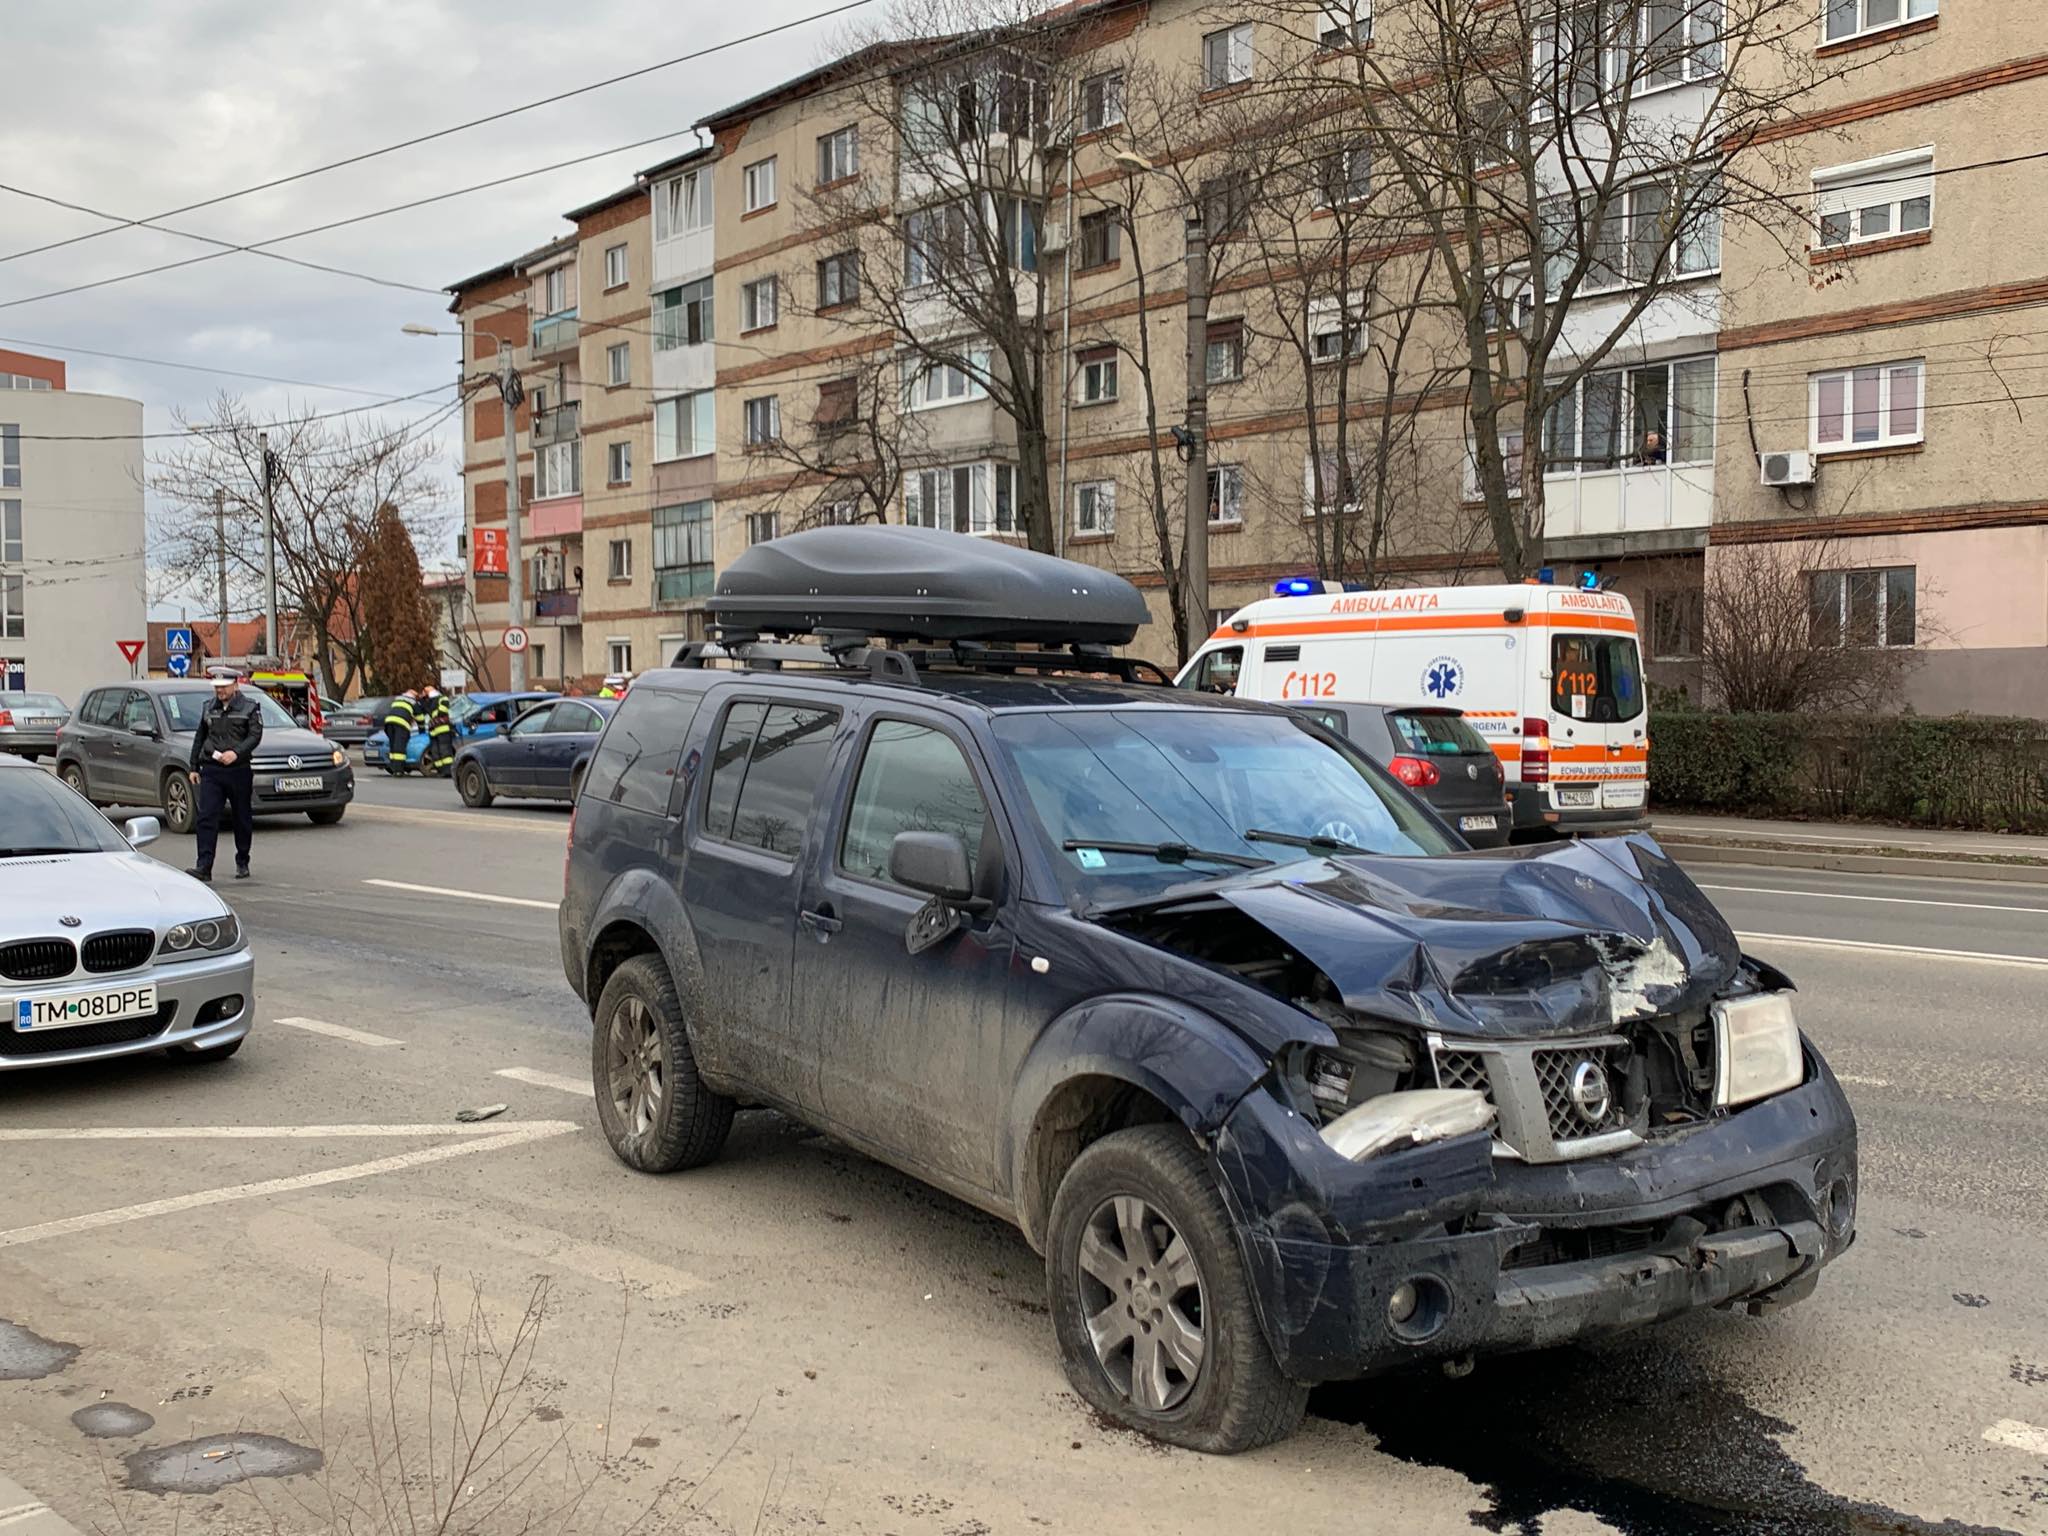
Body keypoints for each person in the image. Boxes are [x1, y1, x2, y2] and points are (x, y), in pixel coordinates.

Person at [185, 669, 263, 883]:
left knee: (241, 817)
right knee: (206, 818)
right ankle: (204, 866)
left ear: (235, 686)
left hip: (238, 770)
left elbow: (255, 736)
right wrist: (194, 766)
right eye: (217, 687)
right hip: (212, 769)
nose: (219, 691)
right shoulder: (208, 708)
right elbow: (200, 737)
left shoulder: (249, 707)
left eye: (224, 686)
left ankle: (243, 860)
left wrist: (236, 753)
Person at [381, 689, 419, 775]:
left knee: (393, 746)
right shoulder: (413, 703)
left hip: (389, 723)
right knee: (399, 747)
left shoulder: (397, 700)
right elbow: (419, 717)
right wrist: (422, 728)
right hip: (401, 725)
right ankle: (398, 770)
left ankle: (393, 768)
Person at [423, 687, 456, 776]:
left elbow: (441, 711)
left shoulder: (434, 701)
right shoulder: (438, 700)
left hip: (436, 729)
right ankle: (444, 771)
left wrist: (436, 717)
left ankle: (445, 771)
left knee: (439, 750)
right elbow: (442, 711)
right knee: (440, 750)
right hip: (440, 729)